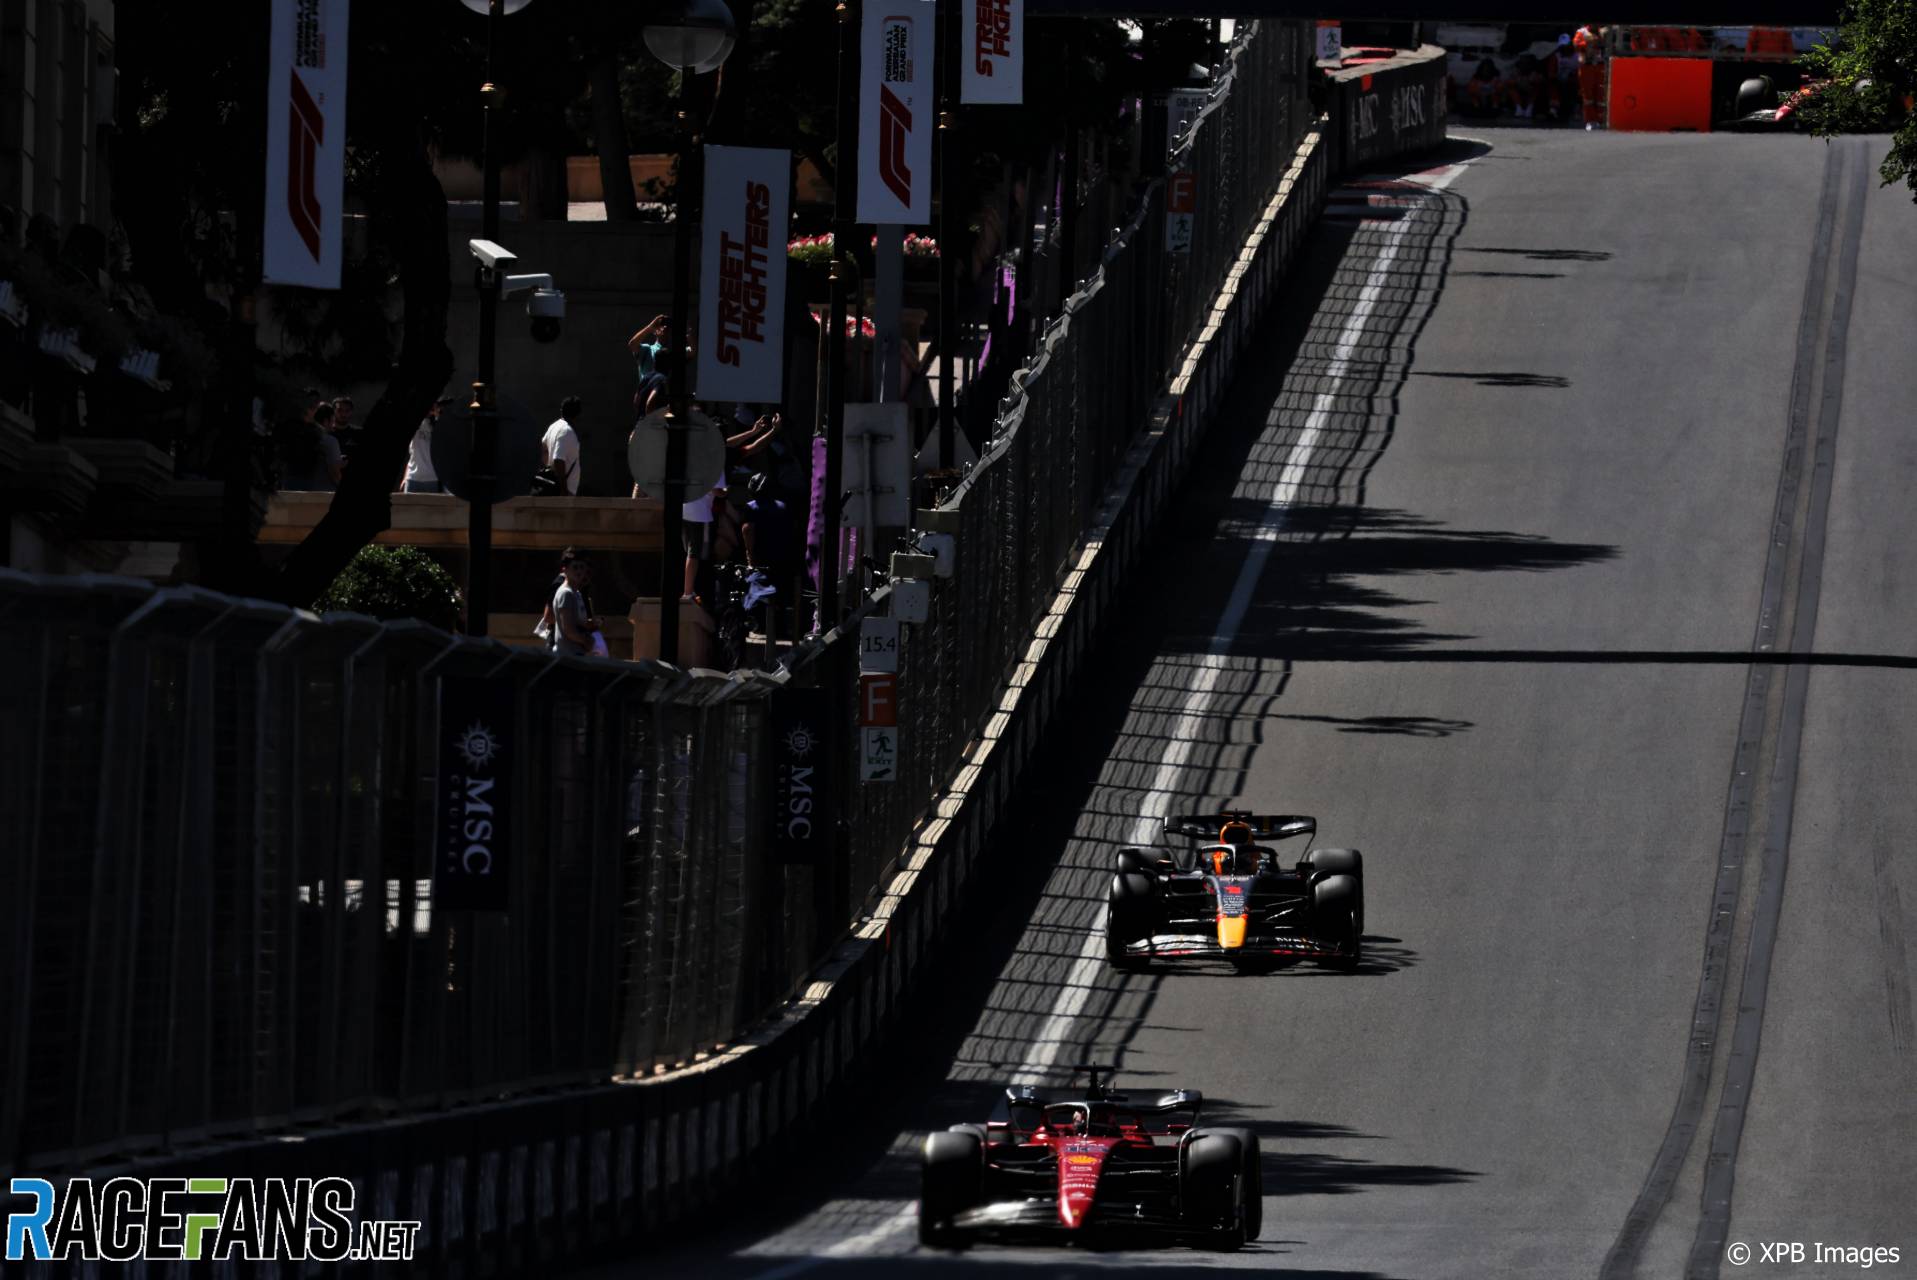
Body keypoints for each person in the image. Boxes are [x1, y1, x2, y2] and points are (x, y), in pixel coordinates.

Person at [549, 553, 597, 657]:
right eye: (575, 567)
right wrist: (586, 641)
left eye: (582, 567)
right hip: (567, 657)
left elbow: (578, 623)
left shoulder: (577, 593)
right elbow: (569, 630)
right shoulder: (565, 593)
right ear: (564, 570)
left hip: (576, 654)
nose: (579, 571)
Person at [401, 398, 449, 493]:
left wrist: (436, 413)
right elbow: (412, 456)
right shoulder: (416, 424)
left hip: (431, 478)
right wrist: (405, 477)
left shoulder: (437, 426)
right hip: (413, 477)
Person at [541, 396, 583, 495]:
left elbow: (542, 450)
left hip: (552, 487)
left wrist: (547, 469)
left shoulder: (554, 427)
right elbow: (558, 460)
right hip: (563, 492)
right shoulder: (566, 431)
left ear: (561, 410)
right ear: (578, 415)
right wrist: (563, 490)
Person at [1575, 24, 1606, 130]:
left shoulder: (1604, 31)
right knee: (1588, 96)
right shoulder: (1582, 32)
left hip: (1600, 66)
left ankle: (1601, 121)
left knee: (1601, 95)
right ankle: (1590, 121)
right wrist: (1589, 42)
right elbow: (1576, 44)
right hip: (1586, 67)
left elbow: (1608, 44)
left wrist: (1597, 40)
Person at [313, 401, 344, 489]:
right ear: (326, 421)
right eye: (333, 421)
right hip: (324, 494)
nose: (333, 425)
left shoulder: (299, 437)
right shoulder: (330, 441)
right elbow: (335, 472)